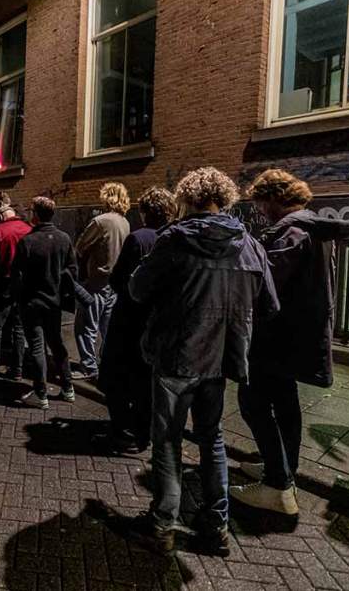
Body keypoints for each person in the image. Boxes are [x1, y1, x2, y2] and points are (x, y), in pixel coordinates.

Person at [129, 167, 278, 555]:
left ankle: (163, 525)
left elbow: (138, 289)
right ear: (224, 199)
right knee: (212, 438)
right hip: (221, 358)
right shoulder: (250, 244)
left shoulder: (175, 240)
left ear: (187, 199)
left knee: (167, 440)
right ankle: (216, 525)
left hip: (177, 356)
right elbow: (269, 305)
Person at [230, 170, 349, 515]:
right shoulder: (313, 229)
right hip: (295, 334)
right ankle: (284, 466)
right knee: (285, 403)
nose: (259, 210)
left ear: (273, 198)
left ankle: (277, 484)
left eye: (260, 202)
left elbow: (265, 285)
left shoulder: (292, 232)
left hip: (276, 336)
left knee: (253, 403)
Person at [98, 187, 176, 453]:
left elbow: (119, 279)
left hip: (130, 319)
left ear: (144, 212)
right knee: (146, 379)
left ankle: (123, 432)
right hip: (160, 320)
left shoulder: (139, 238)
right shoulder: (176, 237)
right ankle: (145, 432)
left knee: (115, 375)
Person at [11, 196, 79, 410]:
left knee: (37, 346)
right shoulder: (64, 239)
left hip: (32, 302)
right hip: (54, 302)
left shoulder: (28, 241)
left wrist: (19, 298)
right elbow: (73, 271)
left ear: (36, 214)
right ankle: (68, 387)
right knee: (57, 343)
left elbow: (16, 275)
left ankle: (41, 393)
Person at [72, 182, 131, 381]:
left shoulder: (100, 221)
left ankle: (89, 367)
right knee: (107, 327)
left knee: (85, 325)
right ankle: (107, 363)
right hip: (114, 282)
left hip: (97, 280)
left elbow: (80, 247)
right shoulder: (125, 222)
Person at [0, 191, 32, 380]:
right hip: (23, 284)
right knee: (19, 328)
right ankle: (18, 369)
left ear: (0, 209)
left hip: (3, 282)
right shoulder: (28, 229)